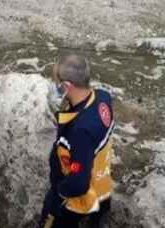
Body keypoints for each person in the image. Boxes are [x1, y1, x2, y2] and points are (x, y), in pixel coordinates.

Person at [36, 54, 114, 228]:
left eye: (57, 82)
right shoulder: (103, 97)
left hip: (79, 197)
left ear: (66, 86)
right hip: (102, 183)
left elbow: (78, 181)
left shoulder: (80, 130)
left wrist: (59, 194)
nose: (55, 86)